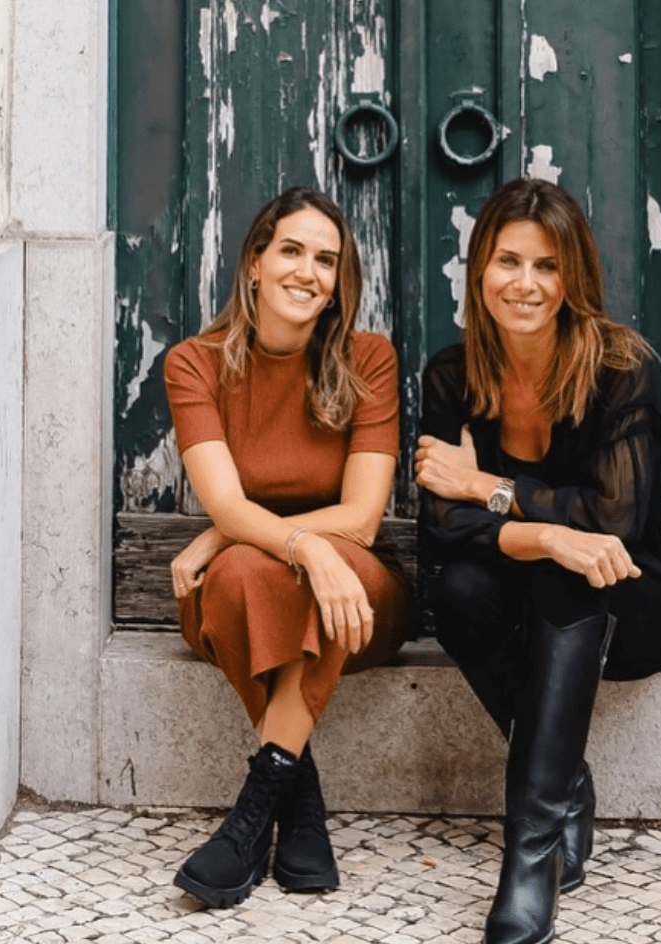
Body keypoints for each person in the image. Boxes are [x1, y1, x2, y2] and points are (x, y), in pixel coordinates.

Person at [415, 177, 661, 944]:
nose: (525, 284)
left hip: (633, 602)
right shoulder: (452, 376)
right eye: (508, 262)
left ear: (571, 277)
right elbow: (440, 529)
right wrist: (546, 532)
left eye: (546, 266)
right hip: (517, 591)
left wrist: (486, 488)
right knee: (460, 587)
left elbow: (614, 521)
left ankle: (528, 859)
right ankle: (563, 780)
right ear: (480, 271)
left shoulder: (617, 368)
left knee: (573, 575)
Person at [164, 187, 413, 909]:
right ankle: (296, 805)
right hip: (249, 590)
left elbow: (363, 520)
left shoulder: (369, 359)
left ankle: (246, 823)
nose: (309, 272)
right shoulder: (194, 364)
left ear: (340, 282)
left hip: (359, 595)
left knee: (275, 566)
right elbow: (227, 498)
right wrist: (297, 542)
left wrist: (232, 534)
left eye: (327, 260)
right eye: (293, 251)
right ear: (254, 263)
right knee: (246, 573)